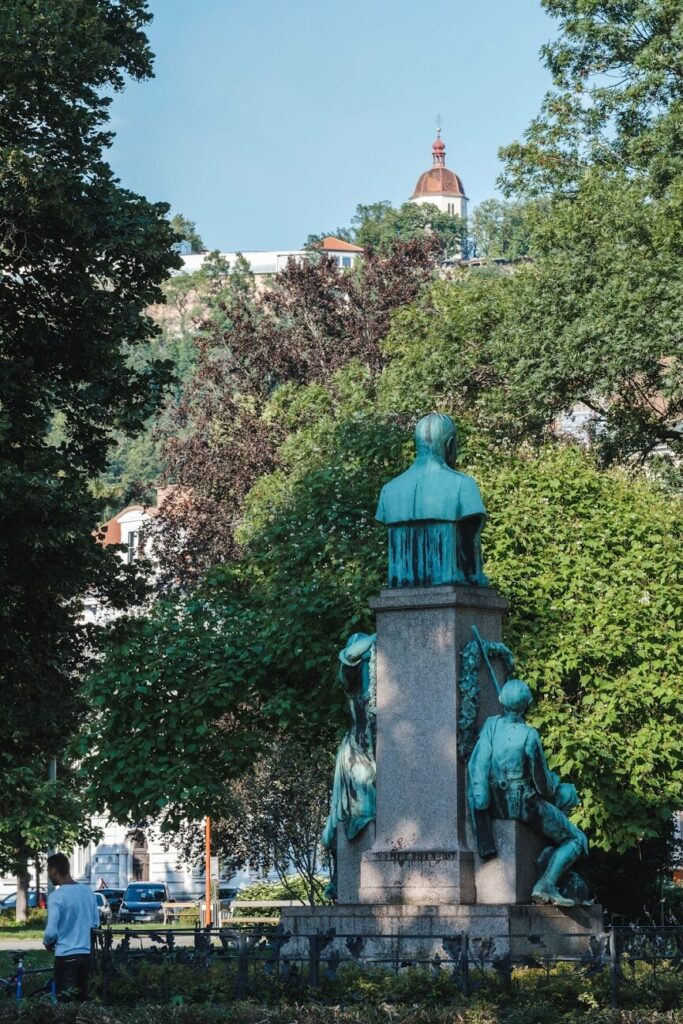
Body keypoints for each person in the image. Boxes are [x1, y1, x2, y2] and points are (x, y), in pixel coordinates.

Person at [467, 679, 589, 907]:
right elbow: (543, 785)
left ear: (501, 701)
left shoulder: (491, 725)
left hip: (494, 803)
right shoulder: (529, 735)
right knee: (577, 838)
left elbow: (480, 762)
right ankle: (546, 883)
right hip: (522, 803)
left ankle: (546, 859)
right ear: (528, 704)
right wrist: (558, 788)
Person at [376, 413, 488, 587]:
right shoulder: (464, 485)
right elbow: (470, 551)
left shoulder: (389, 490)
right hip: (455, 592)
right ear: (450, 445)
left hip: (400, 587)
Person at [321, 632, 377, 899]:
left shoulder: (376, 675)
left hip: (375, 749)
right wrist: (381, 633)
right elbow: (351, 655)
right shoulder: (351, 679)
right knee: (362, 806)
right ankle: (343, 877)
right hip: (357, 750)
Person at [43, 852, 99, 1002]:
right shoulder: (88, 892)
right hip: (86, 955)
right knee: (82, 1001)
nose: (49, 877)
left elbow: (51, 931)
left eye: (49, 872)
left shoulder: (56, 896)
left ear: (55, 872)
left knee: (66, 1003)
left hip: (66, 956)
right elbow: (96, 924)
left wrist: (47, 942)